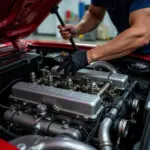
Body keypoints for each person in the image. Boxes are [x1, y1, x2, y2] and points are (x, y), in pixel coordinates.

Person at [57, 0, 150, 77]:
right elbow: (94, 14)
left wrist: (88, 56)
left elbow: (141, 34)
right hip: (125, 47)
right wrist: (77, 29)